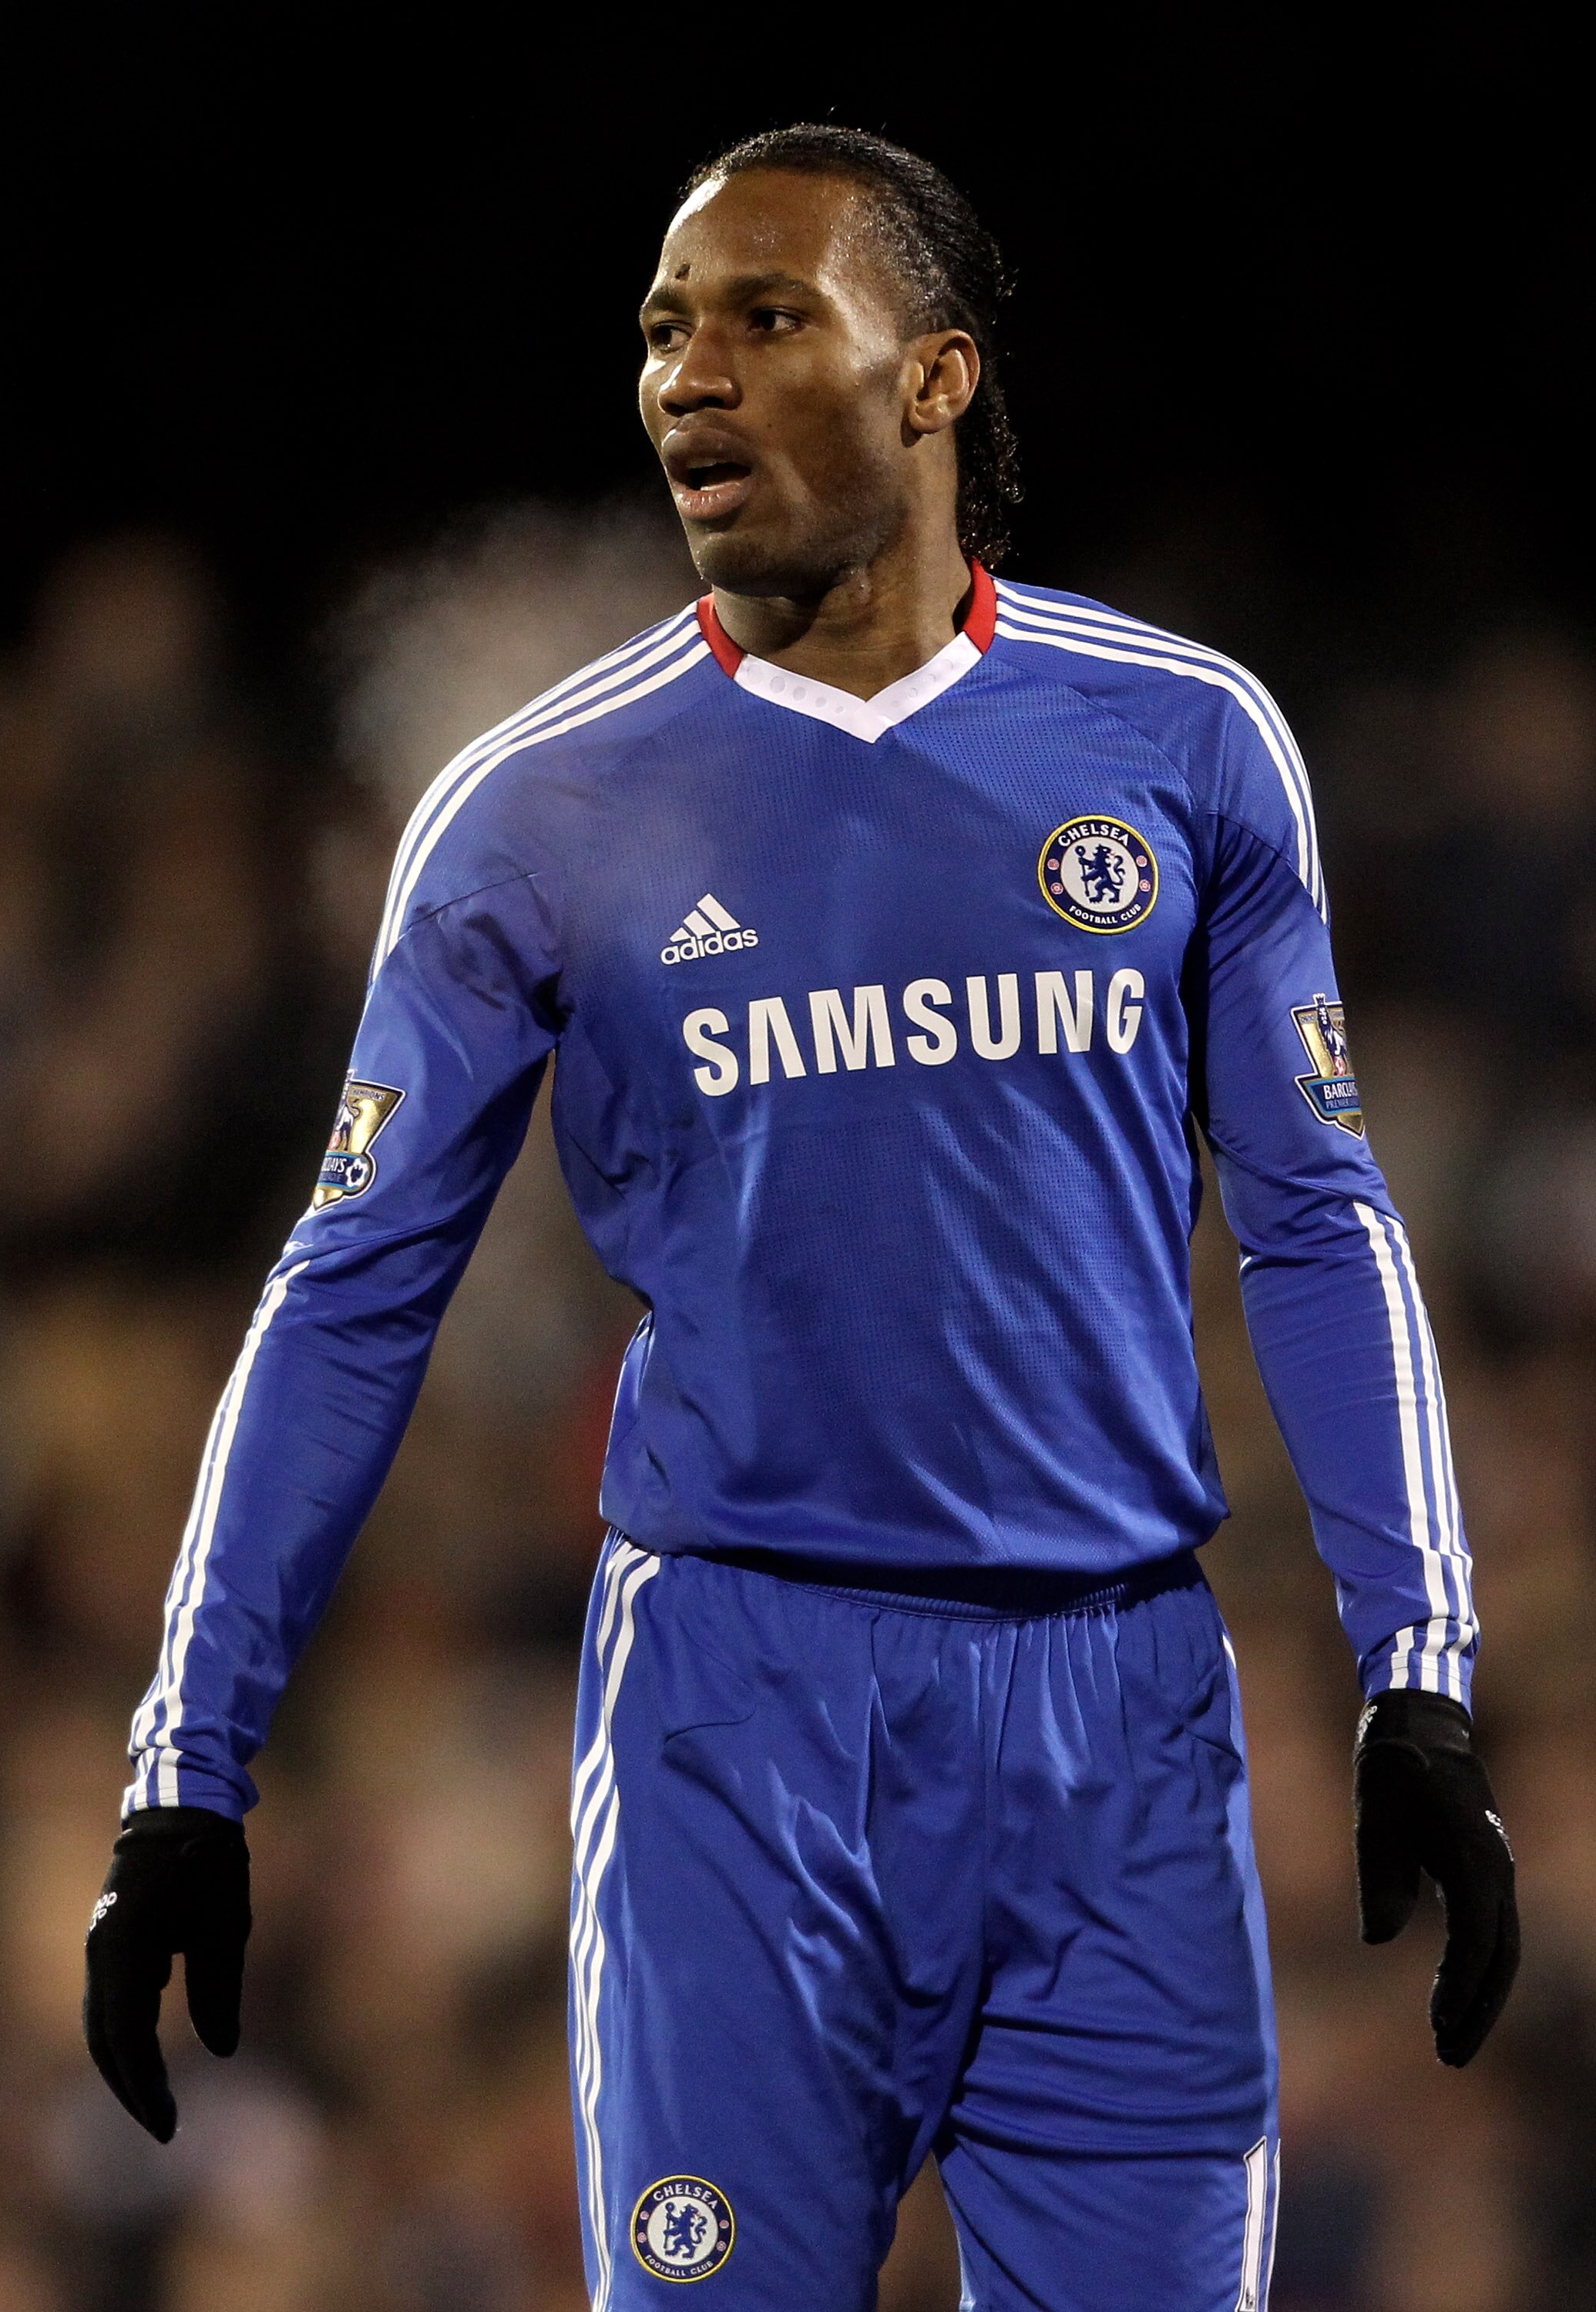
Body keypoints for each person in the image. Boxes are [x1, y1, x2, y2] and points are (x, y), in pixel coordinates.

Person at [84, 126, 1519, 2310]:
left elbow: (1320, 1221)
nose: (693, 374)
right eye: (666, 329)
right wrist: (187, 1767)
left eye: (768, 318)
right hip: (736, 1731)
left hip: (1122, 1725)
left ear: (935, 375)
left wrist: (1420, 1676)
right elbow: (347, 1295)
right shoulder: (540, 809)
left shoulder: (1185, 740)